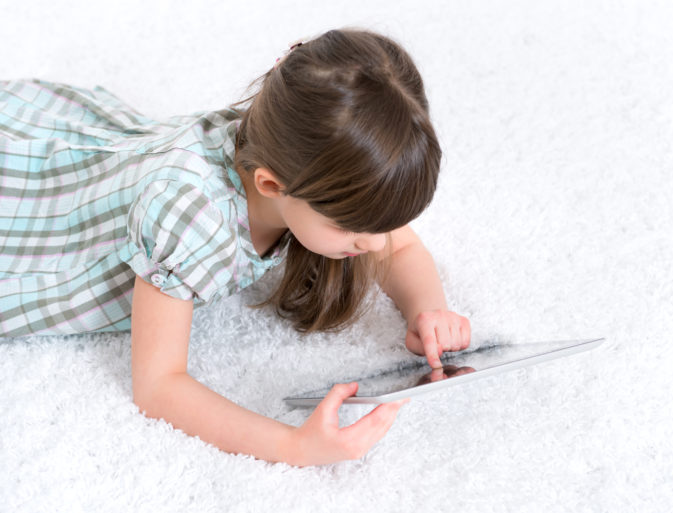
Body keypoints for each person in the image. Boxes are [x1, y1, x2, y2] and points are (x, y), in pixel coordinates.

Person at [0, 28, 471, 466]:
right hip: (34, 212)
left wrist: (427, 310)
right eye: (352, 227)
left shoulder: (290, 147)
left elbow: (400, 249)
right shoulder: (188, 221)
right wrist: (293, 445)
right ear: (272, 185)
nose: (372, 243)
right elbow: (158, 385)